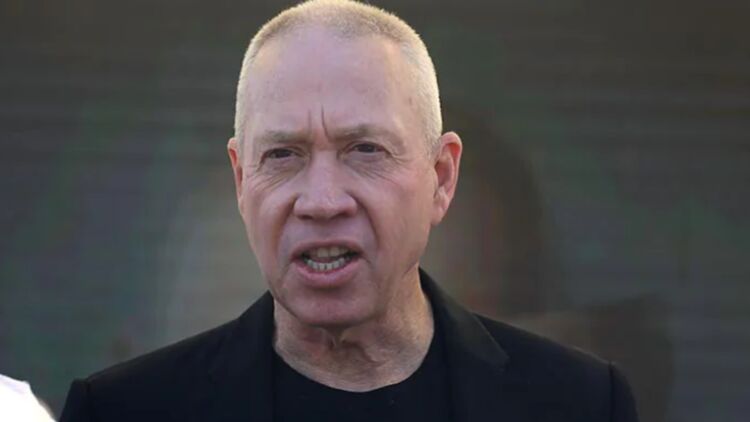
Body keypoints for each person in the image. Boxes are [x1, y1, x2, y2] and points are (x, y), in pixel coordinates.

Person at [60, 0, 639, 421]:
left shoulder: (580, 404)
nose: (322, 202)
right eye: (282, 155)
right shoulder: (122, 411)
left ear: (441, 177)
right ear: (242, 180)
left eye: (365, 150)